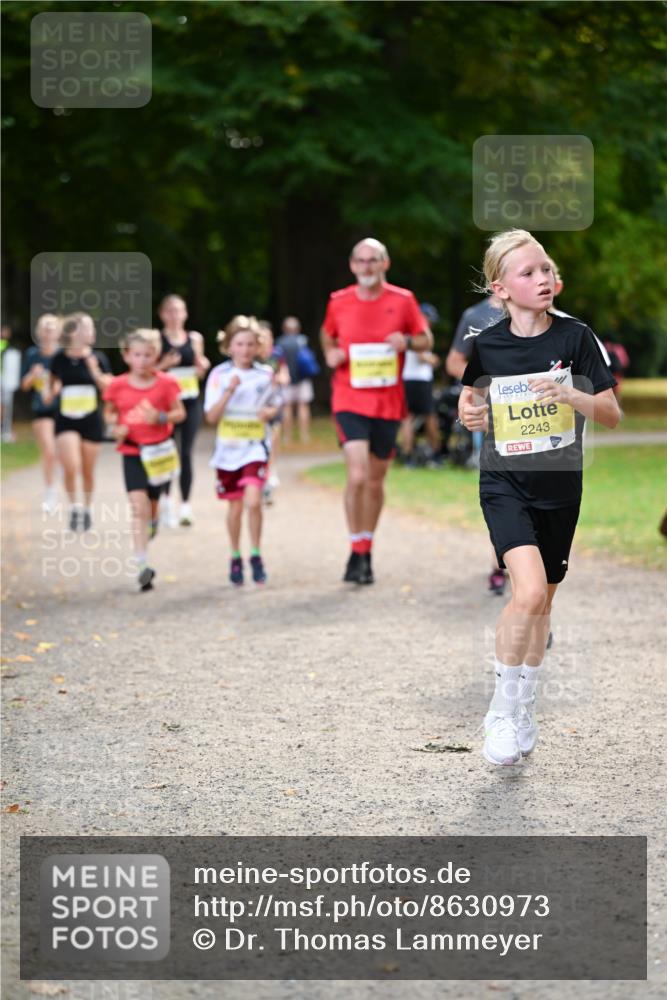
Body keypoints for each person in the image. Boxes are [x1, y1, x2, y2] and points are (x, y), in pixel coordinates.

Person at [459, 229, 619, 766]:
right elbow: (470, 398)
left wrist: (571, 394)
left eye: (546, 269)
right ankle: (501, 711)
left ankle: (524, 703)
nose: (543, 278)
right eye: (528, 273)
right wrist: (469, 414)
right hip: (504, 483)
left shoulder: (576, 338)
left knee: (543, 602)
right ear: (501, 289)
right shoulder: (487, 343)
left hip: (560, 487)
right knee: (526, 593)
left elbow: (611, 414)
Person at [320, 237, 432, 584]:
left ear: (385, 264)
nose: (366, 266)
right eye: (360, 260)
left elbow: (426, 339)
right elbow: (327, 335)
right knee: (356, 475)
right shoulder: (338, 301)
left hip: (387, 401)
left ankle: (366, 547)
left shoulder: (403, 300)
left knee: (374, 480)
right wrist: (330, 353)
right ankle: (355, 547)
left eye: (373, 260)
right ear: (352, 265)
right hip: (348, 398)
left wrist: (407, 342)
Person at [103, 329, 185, 591]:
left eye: (148, 355)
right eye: (137, 355)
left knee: (152, 504)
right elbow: (109, 413)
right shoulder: (117, 385)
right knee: (138, 506)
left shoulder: (166, 383)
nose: (142, 360)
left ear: (156, 356)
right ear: (127, 356)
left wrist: (161, 417)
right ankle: (142, 566)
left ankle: (153, 522)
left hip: (159, 453)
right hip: (132, 452)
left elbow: (180, 413)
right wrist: (115, 427)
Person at [204, 316, 281, 587]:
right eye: (239, 344)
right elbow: (211, 417)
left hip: (255, 448)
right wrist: (228, 391)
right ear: (229, 346)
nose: (245, 350)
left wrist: (269, 412)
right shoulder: (219, 375)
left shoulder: (265, 375)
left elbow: (275, 406)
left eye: (250, 344)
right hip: (228, 452)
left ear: (258, 347)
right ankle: (235, 556)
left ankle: (256, 555)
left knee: (253, 501)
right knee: (235, 508)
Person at [447, 293, 507, 593]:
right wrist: (483, 383)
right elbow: (454, 362)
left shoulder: (545, 313)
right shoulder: (475, 316)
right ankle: (499, 563)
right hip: (494, 416)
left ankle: (526, 562)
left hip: (535, 420)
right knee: (503, 491)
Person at [44, 313, 112, 532]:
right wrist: (52, 391)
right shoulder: (59, 358)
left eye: (92, 328)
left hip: (91, 419)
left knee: (88, 471)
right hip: (66, 420)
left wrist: (94, 371)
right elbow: (52, 382)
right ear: (73, 332)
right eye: (87, 328)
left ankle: (87, 509)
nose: (92, 332)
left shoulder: (98, 358)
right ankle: (74, 507)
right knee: (71, 465)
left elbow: (110, 388)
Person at [156, 294, 210, 527]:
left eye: (179, 310)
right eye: (170, 310)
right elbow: (147, 372)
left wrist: (203, 367)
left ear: (185, 314)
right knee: (167, 452)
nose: (175, 315)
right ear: (162, 314)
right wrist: (164, 365)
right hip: (166, 405)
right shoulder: (157, 340)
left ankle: (186, 506)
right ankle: (166, 502)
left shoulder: (195, 339)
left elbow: (200, 369)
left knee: (186, 453)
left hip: (190, 402)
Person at [20, 314, 62, 512]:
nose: (47, 331)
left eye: (51, 327)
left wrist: (56, 389)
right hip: (41, 409)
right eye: (44, 327)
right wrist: (32, 375)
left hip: (63, 409)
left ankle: (61, 480)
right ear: (38, 332)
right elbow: (24, 386)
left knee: (62, 452)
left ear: (58, 332)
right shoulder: (32, 355)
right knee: (48, 450)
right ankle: (50, 491)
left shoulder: (64, 355)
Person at [400, 302, 442, 466]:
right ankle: (436, 454)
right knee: (430, 417)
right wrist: (433, 360)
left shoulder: (408, 331)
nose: (431, 323)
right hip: (420, 381)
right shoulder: (418, 331)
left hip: (407, 379)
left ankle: (408, 457)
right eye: (429, 319)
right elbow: (421, 356)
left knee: (407, 418)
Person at [257, 320, 289, 504]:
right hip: (257, 405)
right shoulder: (252, 356)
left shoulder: (277, 355)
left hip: (274, 402)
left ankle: (271, 471)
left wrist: (279, 378)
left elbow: (285, 374)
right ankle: (262, 475)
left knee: (273, 438)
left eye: (266, 337)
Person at [277, 316, 316, 443]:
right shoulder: (303, 341)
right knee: (303, 406)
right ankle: (305, 436)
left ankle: (287, 437)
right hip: (303, 378)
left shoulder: (280, 342)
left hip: (286, 379)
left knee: (286, 407)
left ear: (284, 329)